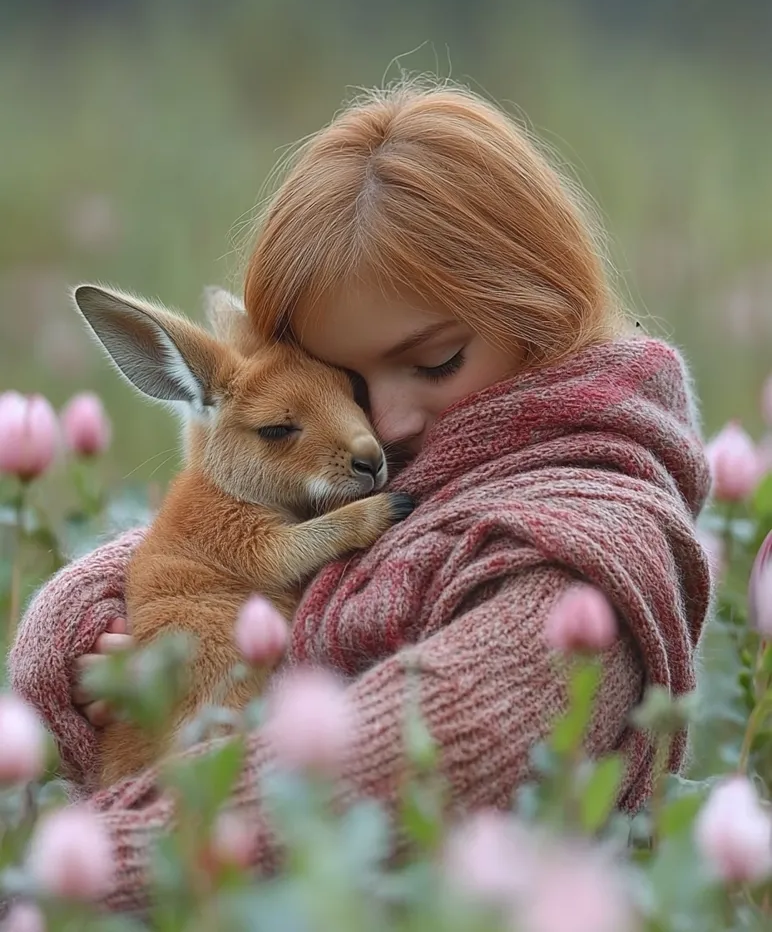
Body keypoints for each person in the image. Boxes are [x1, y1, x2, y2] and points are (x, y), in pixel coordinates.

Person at [9, 78, 712, 914]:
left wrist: (80, 866)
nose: (384, 424)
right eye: (341, 383)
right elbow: (194, 555)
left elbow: (423, 757)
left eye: (437, 361)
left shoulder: (577, 552)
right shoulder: (417, 476)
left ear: (542, 305)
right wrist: (150, 628)